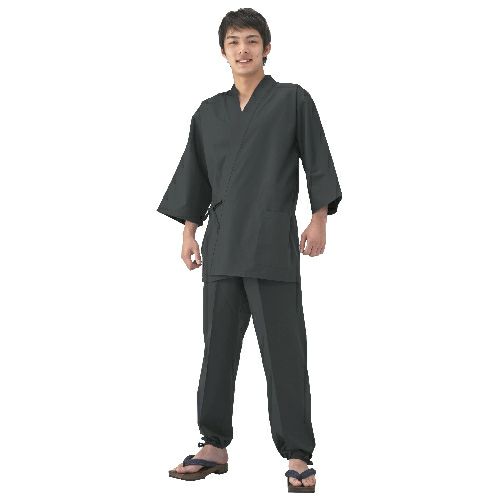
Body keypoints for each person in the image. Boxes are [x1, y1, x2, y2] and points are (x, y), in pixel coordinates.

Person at [158, 8, 342, 493]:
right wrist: (189, 232)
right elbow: (195, 175)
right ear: (223, 51)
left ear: (266, 48)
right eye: (234, 42)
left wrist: (319, 217)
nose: (243, 49)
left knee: (284, 350)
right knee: (217, 348)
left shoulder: (292, 100)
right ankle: (213, 444)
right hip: (221, 245)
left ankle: (297, 452)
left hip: (270, 243)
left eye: (252, 41)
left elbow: (317, 159)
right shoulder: (208, 112)